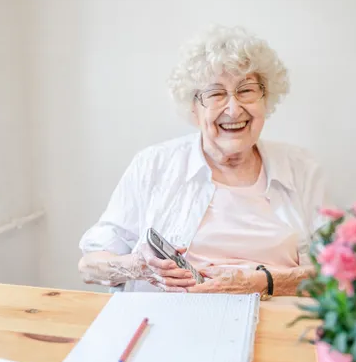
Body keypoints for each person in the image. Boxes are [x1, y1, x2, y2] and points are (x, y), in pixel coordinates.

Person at [78, 25, 328, 298]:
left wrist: (263, 283)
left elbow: (339, 271)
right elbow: (90, 266)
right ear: (194, 108)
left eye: (246, 91)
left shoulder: (301, 167)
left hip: (278, 322)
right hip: (173, 320)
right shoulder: (154, 164)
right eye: (215, 94)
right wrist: (137, 267)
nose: (233, 109)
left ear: (266, 99)